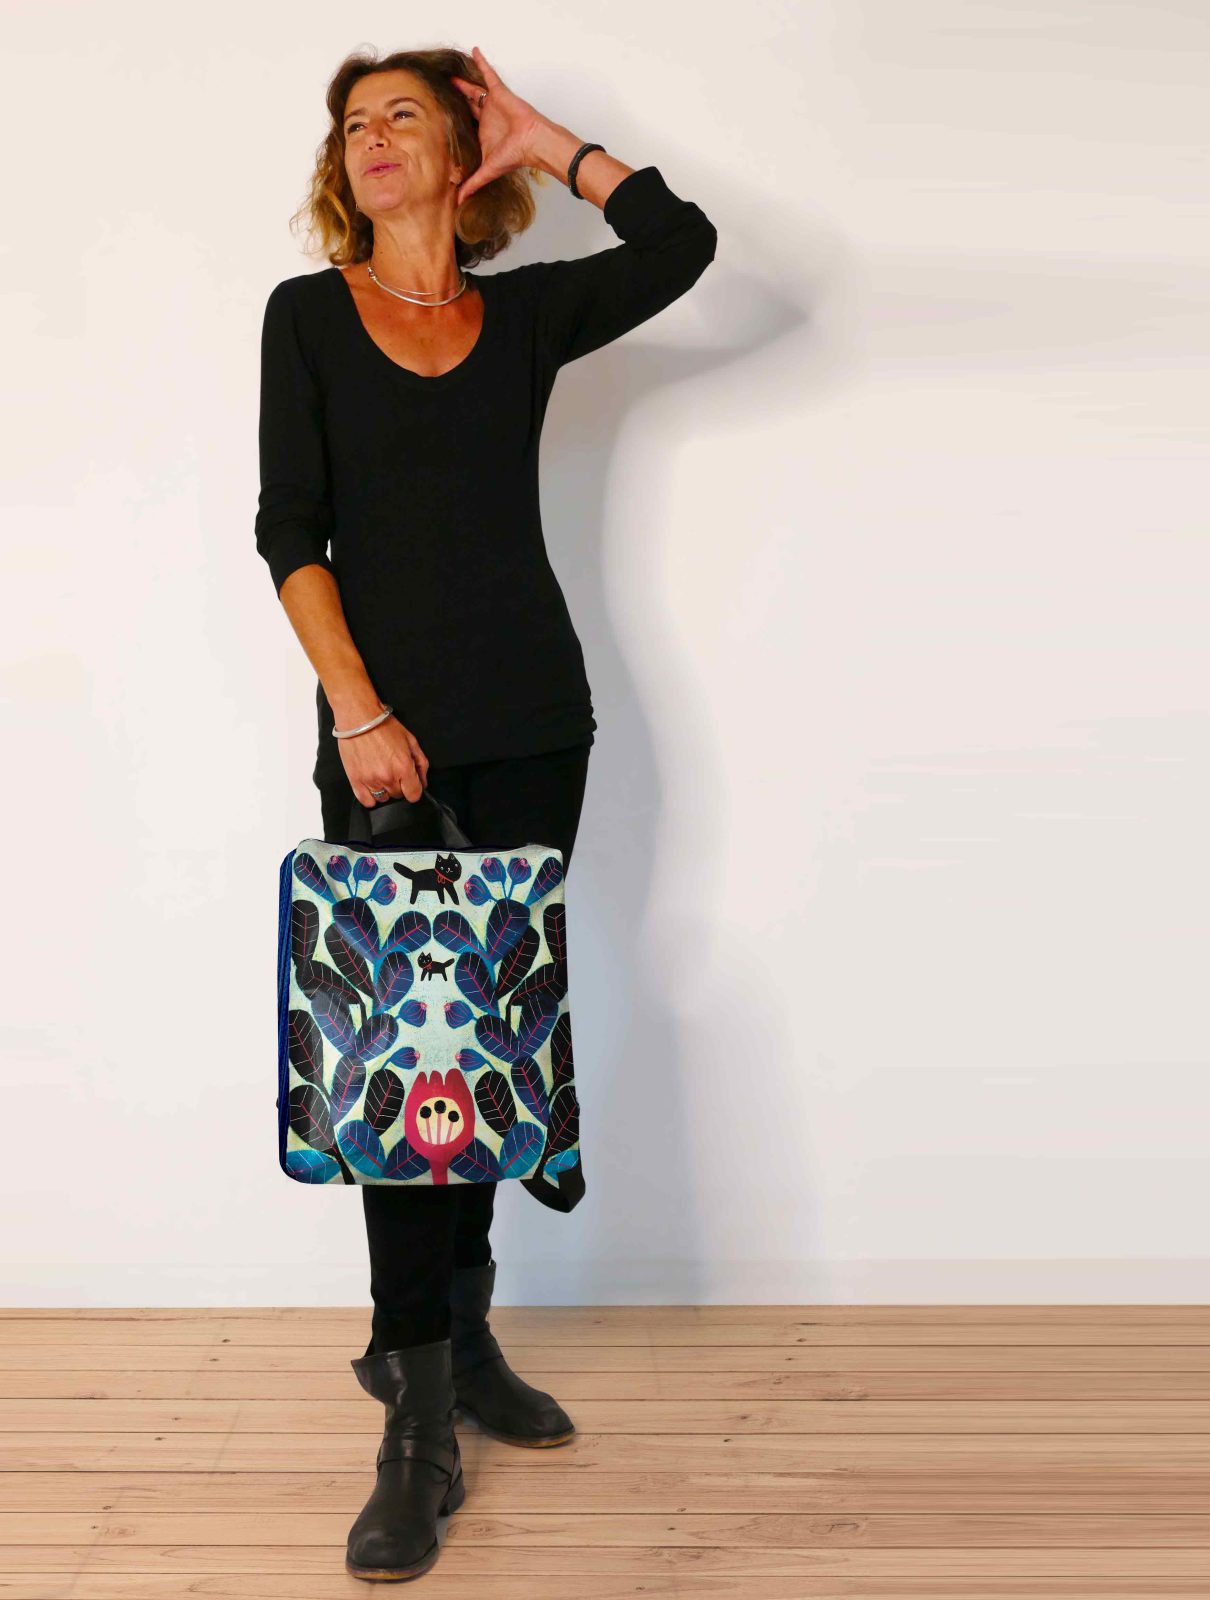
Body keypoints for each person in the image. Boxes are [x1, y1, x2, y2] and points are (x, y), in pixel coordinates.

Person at [254, 43, 716, 1582]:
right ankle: (416, 1423)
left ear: (457, 155)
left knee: (487, 1051)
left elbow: (682, 245)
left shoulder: (520, 319)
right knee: (405, 1069)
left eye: (407, 115)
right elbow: (289, 530)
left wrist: (547, 139)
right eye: (355, 122)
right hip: (385, 745)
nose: (374, 137)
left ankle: (461, 1339)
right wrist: (357, 712)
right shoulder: (307, 317)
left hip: (533, 731)